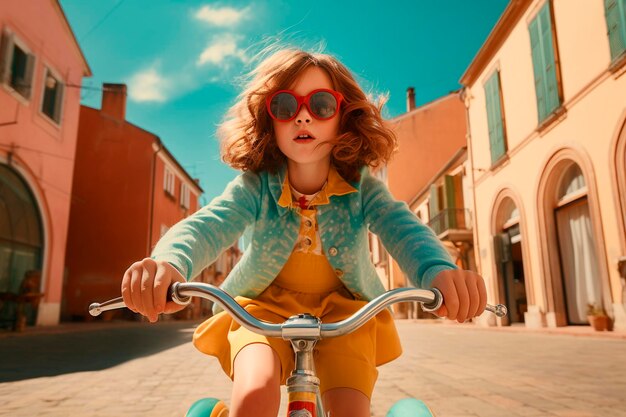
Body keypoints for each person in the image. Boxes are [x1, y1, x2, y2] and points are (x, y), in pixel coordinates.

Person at [121, 47, 487, 417]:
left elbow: (403, 229)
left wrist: (438, 271)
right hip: (263, 311)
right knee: (254, 395)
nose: (302, 117)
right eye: (284, 107)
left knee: (350, 410)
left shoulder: (361, 187)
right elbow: (209, 224)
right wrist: (169, 262)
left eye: (322, 105)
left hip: (345, 314)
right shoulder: (257, 186)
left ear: (342, 117)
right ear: (269, 120)